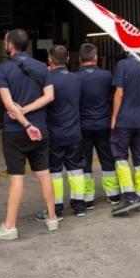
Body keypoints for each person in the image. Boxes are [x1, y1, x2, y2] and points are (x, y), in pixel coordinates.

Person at [0, 29, 58, 240]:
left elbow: (8, 103)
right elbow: (49, 96)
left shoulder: (3, 69)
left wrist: (23, 117)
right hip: (41, 129)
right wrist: (29, 112)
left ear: (9, 45)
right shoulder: (42, 67)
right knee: (44, 174)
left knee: (17, 179)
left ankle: (10, 227)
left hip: (16, 132)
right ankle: (52, 219)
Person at [36, 45, 86, 218]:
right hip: (74, 132)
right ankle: (80, 206)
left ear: (49, 60)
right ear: (68, 59)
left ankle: (56, 209)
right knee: (76, 169)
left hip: (54, 134)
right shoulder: (76, 79)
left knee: (55, 172)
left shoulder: (47, 80)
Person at [110, 53, 140, 216]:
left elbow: (119, 93)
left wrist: (114, 117)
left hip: (125, 119)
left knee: (120, 156)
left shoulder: (123, 65)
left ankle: (129, 195)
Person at [76, 43, 118, 206]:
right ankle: (113, 195)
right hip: (103, 124)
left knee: (84, 161)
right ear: (96, 58)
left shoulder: (75, 78)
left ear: (80, 59)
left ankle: (88, 199)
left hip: (83, 126)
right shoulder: (107, 75)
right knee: (107, 159)